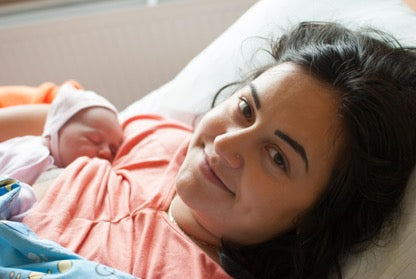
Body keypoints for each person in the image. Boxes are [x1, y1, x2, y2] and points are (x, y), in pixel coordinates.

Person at [12, 21, 416, 278]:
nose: (226, 144)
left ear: (313, 217)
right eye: (245, 109)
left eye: (277, 157)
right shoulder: (155, 137)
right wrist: (62, 113)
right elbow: (55, 119)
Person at [0, 83, 123, 220]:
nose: (106, 152)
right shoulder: (35, 154)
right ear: (57, 128)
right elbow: (9, 192)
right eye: (95, 140)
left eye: (113, 150)